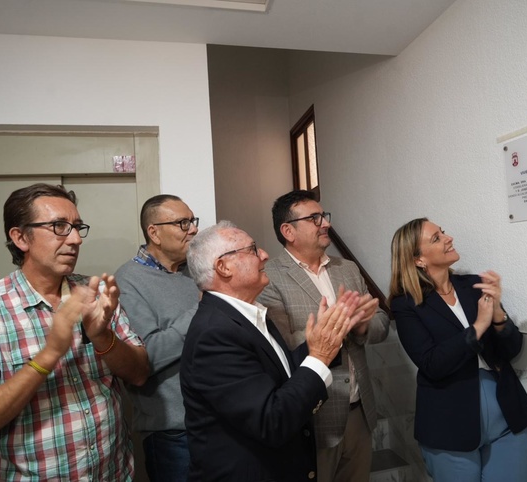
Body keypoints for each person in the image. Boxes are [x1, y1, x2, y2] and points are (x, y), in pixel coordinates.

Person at [0, 183, 150, 481]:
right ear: (20, 237)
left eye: (78, 227)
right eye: (59, 226)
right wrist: (49, 354)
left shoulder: (95, 295)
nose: (76, 239)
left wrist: (103, 339)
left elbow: (140, 373)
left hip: (116, 473)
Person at [180, 221, 369, 482]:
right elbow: (272, 420)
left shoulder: (246, 313)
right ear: (223, 267)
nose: (265, 254)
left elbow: (277, 375)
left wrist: (319, 344)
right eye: (252, 249)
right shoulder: (214, 334)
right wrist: (319, 357)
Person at [388, 217, 527, 482]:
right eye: (436, 238)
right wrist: (478, 326)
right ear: (418, 260)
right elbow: (432, 363)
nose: (448, 238)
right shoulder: (406, 305)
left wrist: (499, 313)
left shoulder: (473, 285)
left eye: (442, 232)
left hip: (507, 417)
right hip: (449, 426)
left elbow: (511, 349)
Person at [257, 190, 390, 482]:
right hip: (315, 415)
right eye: (314, 218)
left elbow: (380, 321)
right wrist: (339, 326)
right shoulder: (270, 276)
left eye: (324, 216)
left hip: (360, 410)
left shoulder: (348, 269)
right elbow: (280, 346)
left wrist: (363, 326)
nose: (325, 223)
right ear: (288, 230)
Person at [114, 194, 200, 481]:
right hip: (172, 433)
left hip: (216, 421)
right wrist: (204, 308)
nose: (194, 229)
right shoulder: (128, 280)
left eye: (192, 221)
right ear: (154, 233)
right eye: (183, 223)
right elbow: (148, 355)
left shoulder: (196, 272)